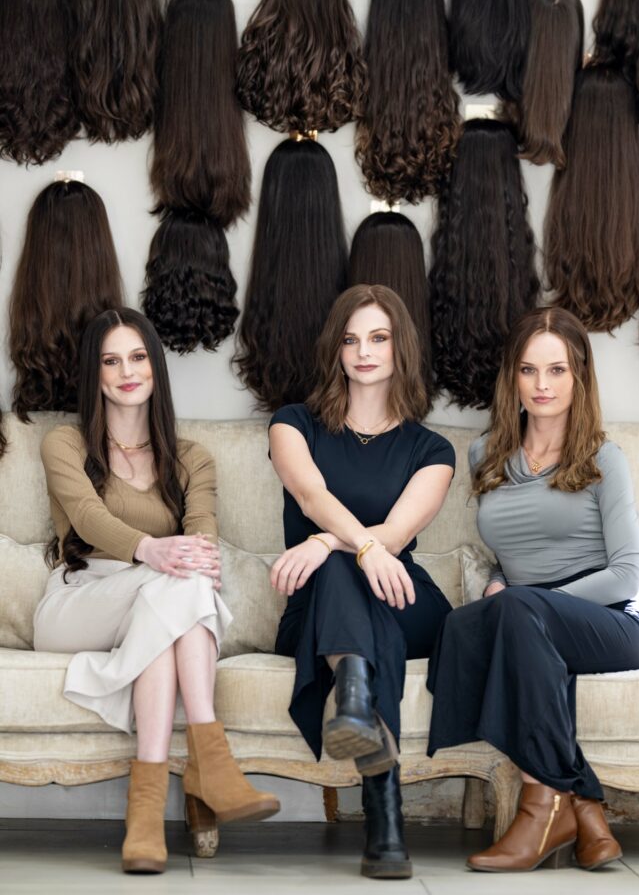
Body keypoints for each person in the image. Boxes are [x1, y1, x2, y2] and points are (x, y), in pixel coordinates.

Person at [33, 308, 279, 875]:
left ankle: (144, 821)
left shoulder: (192, 458)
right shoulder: (64, 443)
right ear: (93, 373)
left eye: (138, 357)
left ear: (155, 366)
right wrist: (153, 550)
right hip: (79, 601)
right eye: (111, 360)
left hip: (156, 603)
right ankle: (210, 762)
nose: (126, 371)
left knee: (177, 597)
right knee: (179, 583)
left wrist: (194, 556)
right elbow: (89, 520)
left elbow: (204, 534)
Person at [427, 306, 639, 872]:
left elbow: (626, 573)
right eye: (529, 371)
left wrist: (529, 601)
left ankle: (541, 808)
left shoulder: (604, 458)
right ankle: (581, 807)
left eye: (557, 370)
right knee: (460, 625)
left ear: (579, 376)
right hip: (527, 618)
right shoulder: (485, 455)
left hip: (617, 619)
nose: (542, 385)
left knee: (518, 617)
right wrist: (503, 586)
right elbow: (509, 558)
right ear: (513, 377)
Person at [268, 284, 455, 879]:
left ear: (401, 347)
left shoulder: (433, 448)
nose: (364, 351)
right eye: (351, 339)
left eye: (379, 338)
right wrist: (357, 545)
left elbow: (395, 535)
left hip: (404, 593)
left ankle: (352, 696)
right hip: (326, 610)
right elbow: (310, 493)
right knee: (348, 586)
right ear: (336, 349)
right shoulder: (293, 423)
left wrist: (325, 541)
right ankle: (385, 820)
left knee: (346, 565)